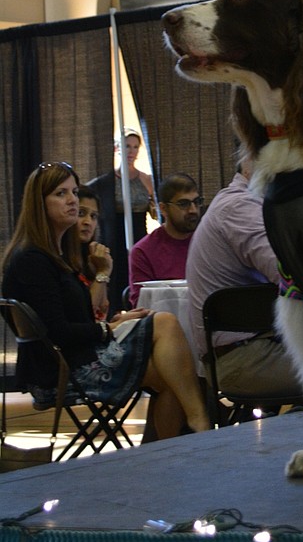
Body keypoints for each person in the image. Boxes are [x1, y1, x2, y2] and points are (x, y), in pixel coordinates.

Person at [1, 162, 210, 439]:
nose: (72, 201)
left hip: (78, 356)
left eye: (74, 192)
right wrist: (108, 328)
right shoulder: (32, 259)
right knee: (165, 325)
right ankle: (201, 423)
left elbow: (77, 320)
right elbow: (59, 333)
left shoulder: (57, 256)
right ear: (39, 204)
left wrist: (114, 319)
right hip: (61, 371)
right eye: (60, 194)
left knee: (173, 376)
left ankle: (169, 447)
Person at [185, 152, 303, 401]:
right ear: (251, 162)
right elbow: (289, 276)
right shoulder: (239, 207)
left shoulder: (244, 204)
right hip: (241, 360)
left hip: (252, 350)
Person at [87, 129, 155, 315]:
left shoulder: (147, 180)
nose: (131, 151)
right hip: (114, 239)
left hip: (140, 236)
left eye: (135, 147)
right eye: (126, 146)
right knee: (116, 282)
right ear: (118, 148)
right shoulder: (104, 183)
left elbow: (156, 209)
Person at [128, 174, 201, 306]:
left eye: (196, 202)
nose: (193, 210)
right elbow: (142, 305)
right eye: (183, 204)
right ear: (163, 209)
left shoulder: (208, 242)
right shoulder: (143, 251)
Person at [76, 185, 111, 322]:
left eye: (93, 216)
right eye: (81, 213)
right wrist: (103, 272)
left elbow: (102, 311)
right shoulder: (61, 258)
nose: (88, 222)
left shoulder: (91, 256)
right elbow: (86, 316)